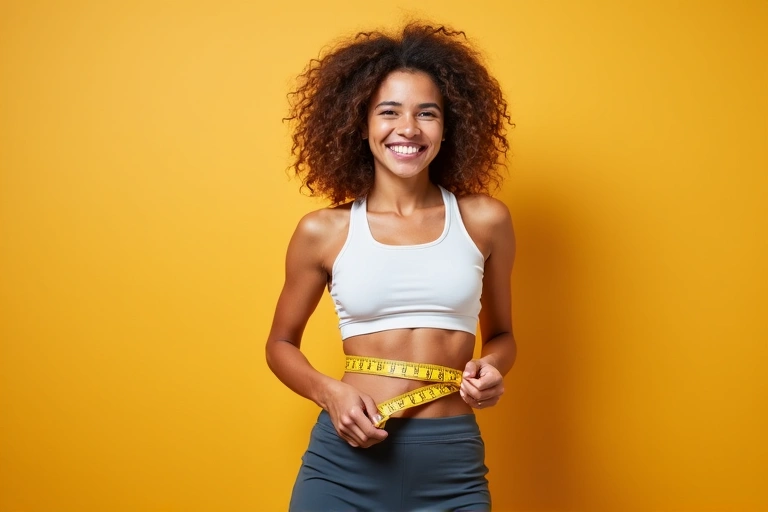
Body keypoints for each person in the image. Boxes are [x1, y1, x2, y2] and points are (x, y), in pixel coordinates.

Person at [266, 21, 516, 511]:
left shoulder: (485, 221)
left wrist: (490, 369)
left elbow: (504, 336)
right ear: (361, 124)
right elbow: (279, 344)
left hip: (451, 464)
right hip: (344, 464)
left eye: (428, 113)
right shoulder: (324, 231)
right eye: (389, 112)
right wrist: (330, 395)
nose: (408, 128)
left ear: (448, 126)